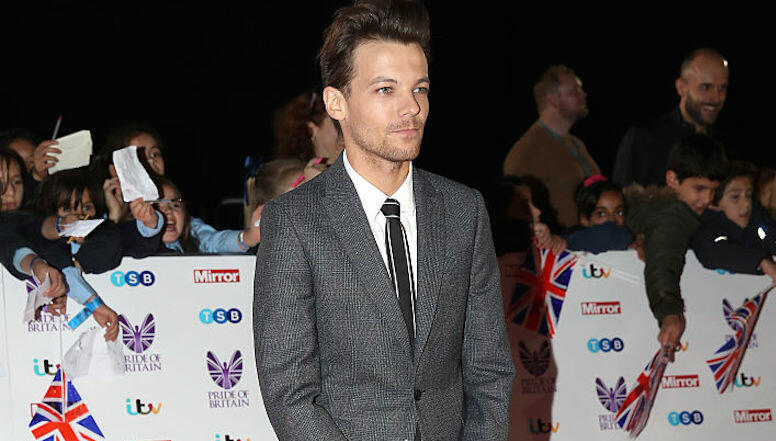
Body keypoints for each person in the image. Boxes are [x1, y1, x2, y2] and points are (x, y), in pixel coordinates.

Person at [254, 1, 514, 440]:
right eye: (385, 90)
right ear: (337, 102)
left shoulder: (463, 211)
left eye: (420, 89)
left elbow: (489, 369)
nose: (411, 108)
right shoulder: (294, 221)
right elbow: (289, 392)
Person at [624, 134, 727, 360]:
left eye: (713, 190)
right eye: (699, 188)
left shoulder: (663, 208)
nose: (706, 199)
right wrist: (669, 313)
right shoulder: (672, 217)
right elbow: (663, 263)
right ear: (672, 179)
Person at [613, 48, 729, 187]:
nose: (716, 98)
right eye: (705, 87)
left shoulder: (725, 144)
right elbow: (622, 201)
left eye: (722, 88)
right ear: (681, 87)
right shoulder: (644, 138)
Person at [502, 64, 600, 228]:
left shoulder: (576, 144)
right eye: (575, 91)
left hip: (590, 245)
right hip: (560, 249)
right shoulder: (527, 151)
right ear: (552, 100)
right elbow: (518, 215)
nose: (583, 95)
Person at [692, 161, 776, 281]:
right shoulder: (704, 228)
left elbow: (771, 238)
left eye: (748, 195)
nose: (746, 204)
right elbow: (712, 251)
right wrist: (761, 262)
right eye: (735, 197)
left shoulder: (758, 223)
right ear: (713, 202)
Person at [565, 175, 634, 254]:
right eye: (601, 214)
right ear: (584, 219)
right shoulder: (577, 241)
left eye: (619, 212)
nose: (612, 220)